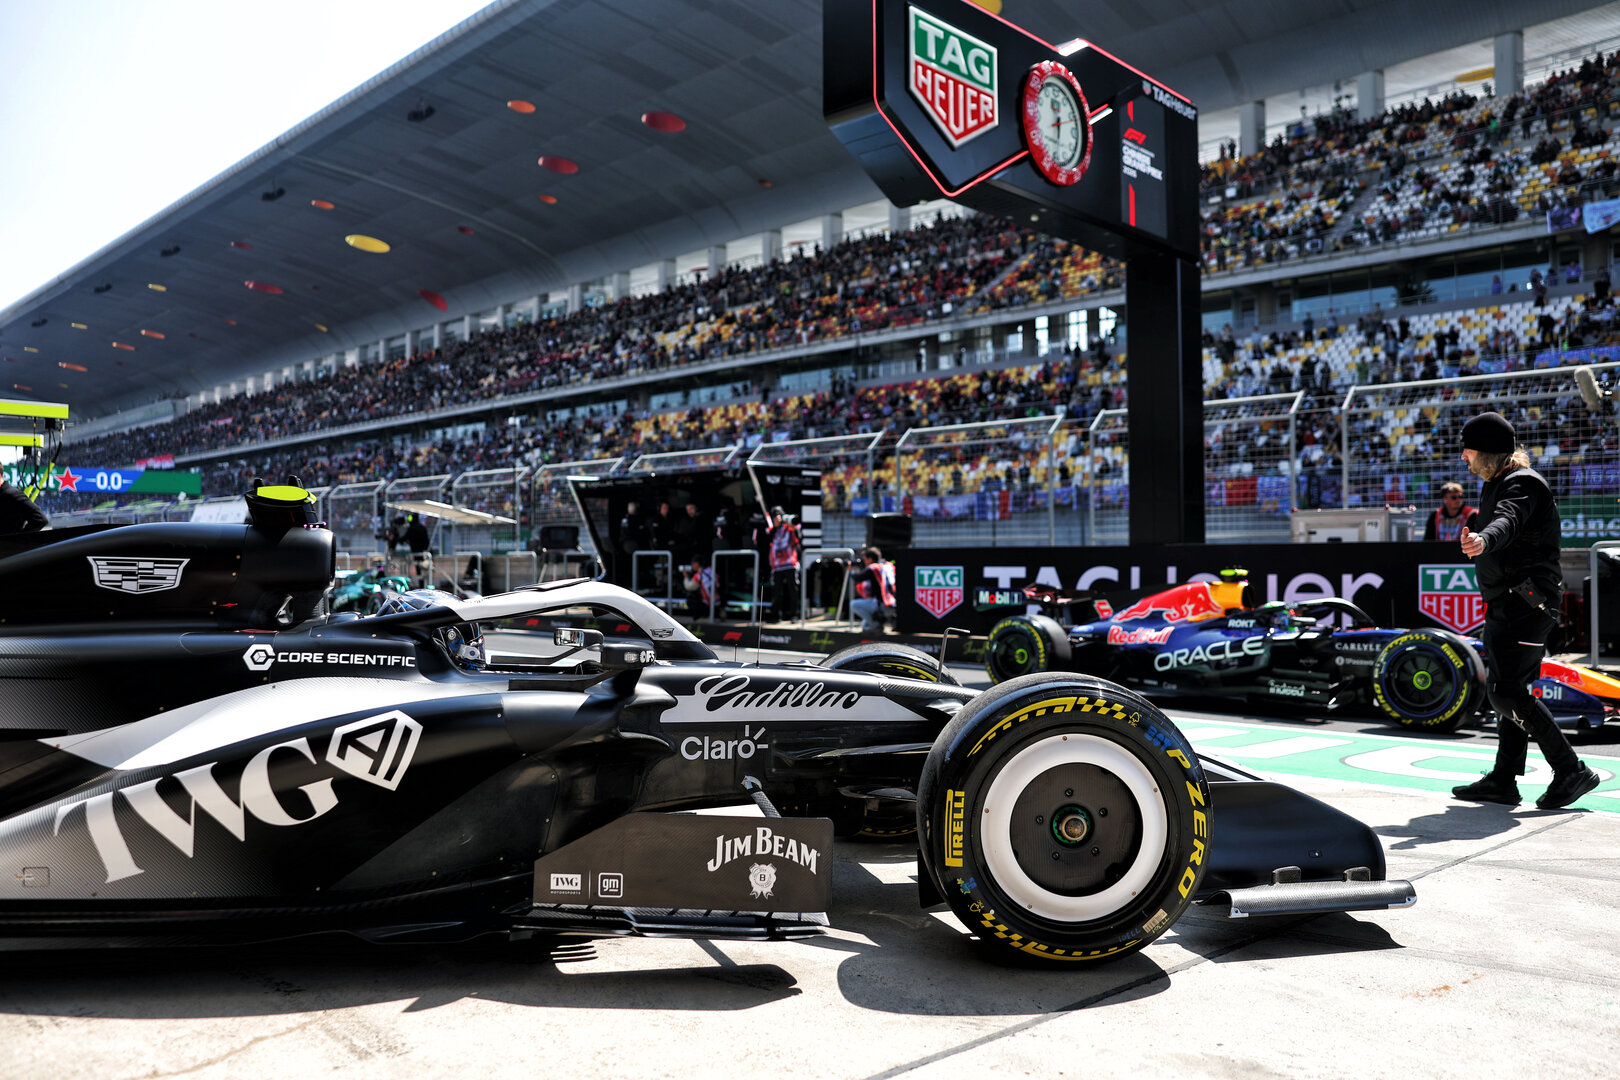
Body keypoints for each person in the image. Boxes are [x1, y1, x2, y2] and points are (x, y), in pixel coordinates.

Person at [1451, 411, 1600, 810]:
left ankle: (1571, 769)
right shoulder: (1497, 480)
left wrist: (1483, 540)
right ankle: (1503, 779)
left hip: (1526, 604)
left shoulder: (1522, 484)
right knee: (1509, 687)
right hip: (1511, 602)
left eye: (1467, 450)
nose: (1463, 458)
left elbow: (1507, 521)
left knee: (1505, 692)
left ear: (1488, 452)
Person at [765, 505, 802, 622]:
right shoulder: (773, 531)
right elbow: (766, 540)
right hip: (777, 566)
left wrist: (792, 525)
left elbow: (798, 535)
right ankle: (776, 615)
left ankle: (794, 615)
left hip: (790, 563)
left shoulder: (790, 527)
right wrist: (775, 526)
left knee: (793, 590)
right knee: (776, 591)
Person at [849, 546, 896, 634]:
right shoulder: (887, 566)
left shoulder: (873, 568)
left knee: (853, 604)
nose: (864, 561)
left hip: (882, 606)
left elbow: (858, 577)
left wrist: (851, 571)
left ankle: (876, 625)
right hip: (893, 606)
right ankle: (878, 623)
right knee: (864, 626)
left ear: (870, 559)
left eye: (865, 559)